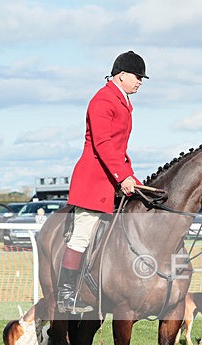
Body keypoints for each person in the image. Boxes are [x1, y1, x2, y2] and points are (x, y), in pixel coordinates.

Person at [56, 51, 148, 314]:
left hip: (113, 175)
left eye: (142, 77)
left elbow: (119, 149)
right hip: (94, 180)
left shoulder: (124, 102)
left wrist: (132, 178)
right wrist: (122, 176)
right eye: (137, 76)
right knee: (82, 235)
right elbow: (103, 144)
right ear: (121, 75)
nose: (140, 81)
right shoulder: (102, 100)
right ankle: (66, 294)